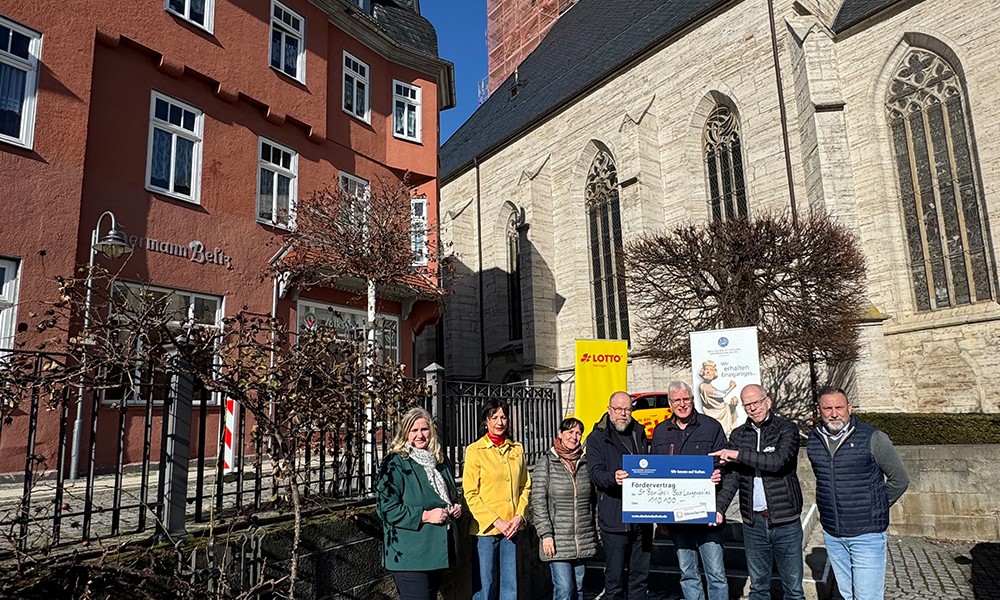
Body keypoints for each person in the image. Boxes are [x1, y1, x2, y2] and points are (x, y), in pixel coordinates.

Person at [807, 387, 909, 600]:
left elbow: (900, 480)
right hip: (833, 533)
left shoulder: (873, 437)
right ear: (819, 411)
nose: (834, 413)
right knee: (847, 594)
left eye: (839, 407)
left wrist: (875, 506)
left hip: (866, 535)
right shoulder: (814, 440)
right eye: (827, 408)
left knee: (867, 596)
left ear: (849, 408)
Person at [711, 384, 805, 600]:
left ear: (768, 401)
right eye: (748, 405)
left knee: (793, 589)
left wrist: (738, 454)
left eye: (756, 402)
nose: (753, 408)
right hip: (754, 523)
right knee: (758, 587)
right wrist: (719, 508)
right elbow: (732, 477)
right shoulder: (738, 434)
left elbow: (777, 462)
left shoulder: (786, 429)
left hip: (785, 521)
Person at [651, 381, 727, 600]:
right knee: (687, 573)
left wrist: (718, 472)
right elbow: (657, 474)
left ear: (692, 400)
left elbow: (722, 463)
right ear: (670, 403)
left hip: (707, 514)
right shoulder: (660, 431)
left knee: (716, 573)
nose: (682, 404)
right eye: (677, 401)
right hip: (678, 517)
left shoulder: (711, 426)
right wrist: (661, 516)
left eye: (686, 399)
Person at [376, 407, 463, 600]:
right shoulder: (395, 463)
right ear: (405, 433)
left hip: (437, 552)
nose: (420, 435)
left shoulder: (439, 460)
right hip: (411, 556)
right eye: (413, 430)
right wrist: (425, 515)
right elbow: (386, 509)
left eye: (424, 429)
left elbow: (451, 495)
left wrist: (456, 507)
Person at [587, 390, 653, 600]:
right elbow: (595, 473)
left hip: (641, 519)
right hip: (615, 518)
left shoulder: (639, 432)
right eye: (618, 409)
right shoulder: (597, 437)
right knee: (614, 580)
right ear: (609, 410)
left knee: (640, 578)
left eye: (627, 409)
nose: (623, 414)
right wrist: (612, 478)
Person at [464, 398, 532, 600]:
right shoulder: (475, 450)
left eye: (503, 417)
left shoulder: (516, 449)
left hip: (511, 528)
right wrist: (496, 521)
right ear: (486, 421)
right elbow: (470, 493)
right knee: (485, 586)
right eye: (494, 417)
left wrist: (519, 516)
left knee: (510, 587)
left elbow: (525, 486)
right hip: (486, 529)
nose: (499, 422)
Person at [530, 417, 598, 600]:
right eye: (570, 432)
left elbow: (593, 500)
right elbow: (537, 500)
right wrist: (545, 534)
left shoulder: (585, 463)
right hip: (557, 539)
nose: (574, 437)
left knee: (579, 589)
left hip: (581, 537)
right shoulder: (546, 462)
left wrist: (596, 528)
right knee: (565, 589)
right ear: (560, 434)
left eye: (578, 433)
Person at [698, 360, 739, 434]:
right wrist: (731, 387)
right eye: (706, 369)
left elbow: (719, 402)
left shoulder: (712, 387)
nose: (708, 372)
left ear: (714, 373)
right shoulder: (703, 387)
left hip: (724, 416)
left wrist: (732, 405)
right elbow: (720, 394)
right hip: (715, 417)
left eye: (711, 370)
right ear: (702, 371)